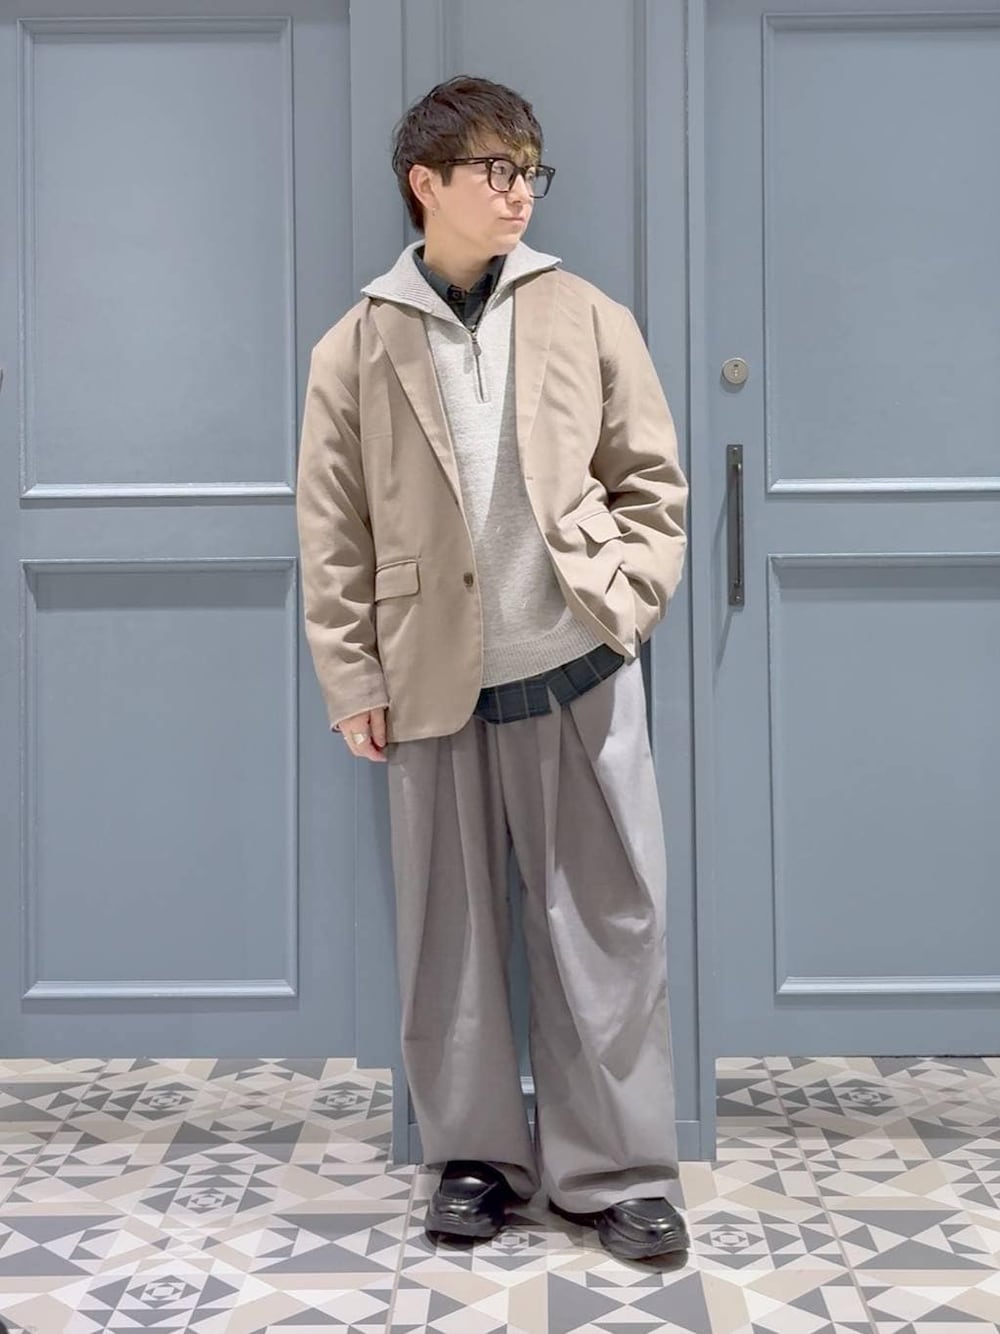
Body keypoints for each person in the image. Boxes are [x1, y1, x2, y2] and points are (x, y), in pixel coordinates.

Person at [295, 75, 690, 1263]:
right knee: (449, 945)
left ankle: (617, 1173)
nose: (520, 193)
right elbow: (332, 530)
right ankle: (471, 1159)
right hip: (429, 686)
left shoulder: (586, 314)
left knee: (605, 929)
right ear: (426, 184)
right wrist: (352, 677)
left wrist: (623, 603)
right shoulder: (355, 345)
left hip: (577, 671)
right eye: (496, 170)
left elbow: (650, 483)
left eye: (530, 171)